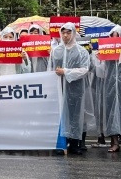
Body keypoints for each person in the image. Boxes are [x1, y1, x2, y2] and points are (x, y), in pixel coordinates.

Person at [49, 22, 90, 155]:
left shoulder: (81, 51)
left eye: (68, 32)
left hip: (75, 88)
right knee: (61, 115)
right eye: (63, 32)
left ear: (73, 33)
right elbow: (50, 69)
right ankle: (61, 144)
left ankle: (74, 144)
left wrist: (66, 71)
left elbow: (84, 69)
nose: (66, 35)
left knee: (74, 115)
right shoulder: (57, 51)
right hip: (59, 88)